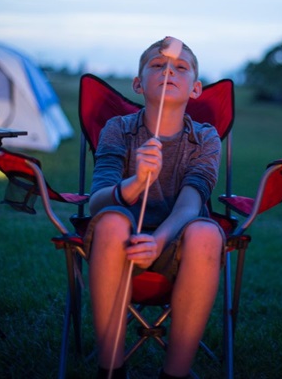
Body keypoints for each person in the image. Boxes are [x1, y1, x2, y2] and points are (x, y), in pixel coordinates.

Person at [85, 37, 225, 379]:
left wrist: (158, 242)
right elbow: (97, 201)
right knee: (112, 223)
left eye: (180, 67)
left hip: (178, 245)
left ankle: (174, 373)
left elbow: (192, 204)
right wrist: (136, 183)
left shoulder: (205, 139)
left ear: (195, 88)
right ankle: (111, 370)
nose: (169, 71)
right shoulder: (118, 129)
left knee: (207, 232)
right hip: (116, 245)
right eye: (158, 65)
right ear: (138, 83)